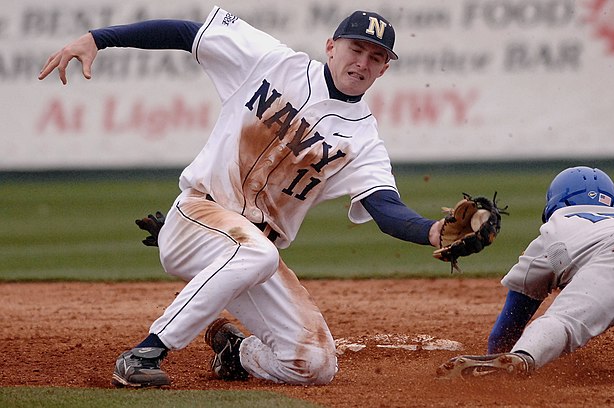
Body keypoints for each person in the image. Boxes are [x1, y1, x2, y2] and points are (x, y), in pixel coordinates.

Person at [38, 6, 445, 388]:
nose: (362, 62)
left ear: (384, 68)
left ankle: (236, 352)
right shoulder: (272, 62)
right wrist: (99, 39)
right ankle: (144, 355)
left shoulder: (363, 141)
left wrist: (434, 231)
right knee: (259, 253)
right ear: (331, 47)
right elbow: (187, 33)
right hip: (201, 209)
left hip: (244, 251)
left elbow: (386, 210)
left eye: (376, 57)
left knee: (314, 365)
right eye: (356, 49)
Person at [436, 166, 614, 379]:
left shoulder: (557, 228)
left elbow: (513, 318)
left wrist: (496, 354)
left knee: (564, 320)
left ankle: (522, 358)